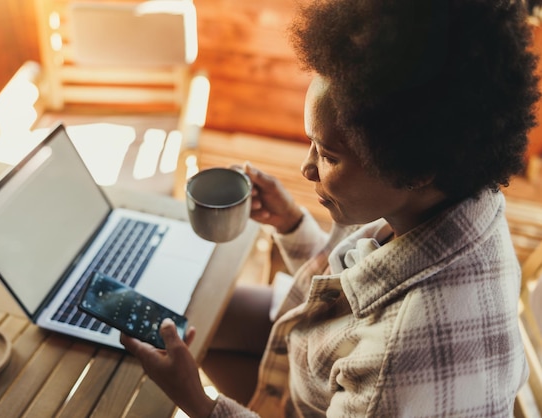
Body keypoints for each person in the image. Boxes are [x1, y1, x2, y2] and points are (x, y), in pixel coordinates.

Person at [120, 0, 541, 416]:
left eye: (328, 155)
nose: (306, 168)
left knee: (189, 338)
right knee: (196, 320)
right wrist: (291, 225)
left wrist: (198, 402)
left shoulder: (394, 364)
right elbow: (359, 279)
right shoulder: (462, 196)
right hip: (314, 368)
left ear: (414, 170)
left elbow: (381, 338)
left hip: (327, 398)